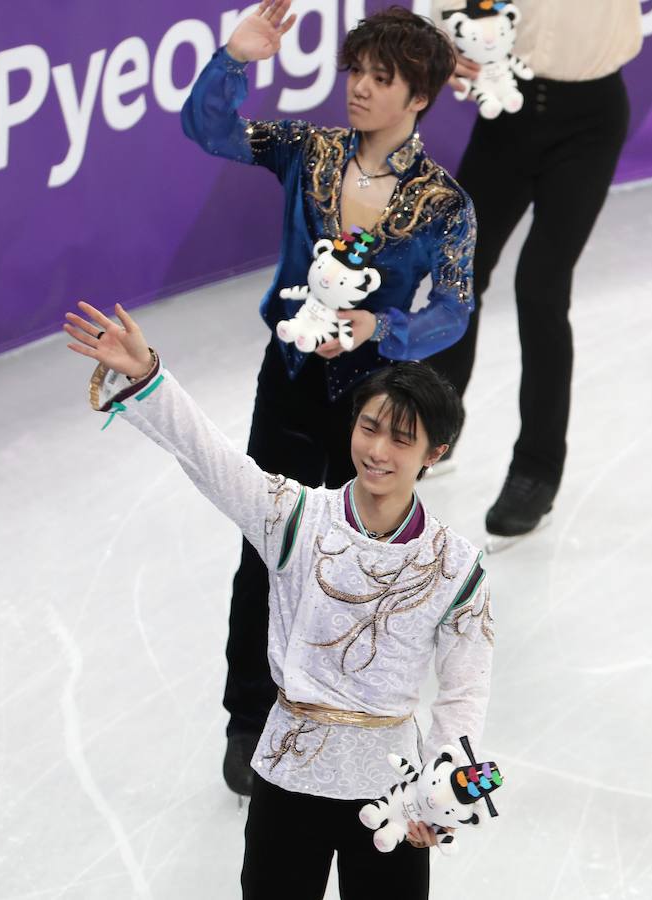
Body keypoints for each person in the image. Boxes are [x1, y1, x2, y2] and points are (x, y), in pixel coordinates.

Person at [63, 300, 494, 900]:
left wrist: (441, 790)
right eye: (368, 428)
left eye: (402, 438)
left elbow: (463, 689)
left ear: (434, 453)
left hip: (391, 788)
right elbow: (210, 460)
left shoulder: (456, 566)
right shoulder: (296, 517)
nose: (378, 451)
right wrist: (147, 376)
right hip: (289, 771)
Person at [181, 0, 477, 792]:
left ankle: (341, 704)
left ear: (418, 97)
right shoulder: (306, 150)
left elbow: (452, 309)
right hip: (287, 386)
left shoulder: (444, 203)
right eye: (357, 73)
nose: (360, 90)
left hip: (370, 407)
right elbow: (208, 130)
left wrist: (380, 328)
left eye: (383, 79)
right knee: (263, 548)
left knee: (358, 563)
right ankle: (249, 716)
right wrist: (234, 59)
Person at [430, 0, 642, 546]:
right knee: (459, 268)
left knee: (542, 287)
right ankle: (435, 425)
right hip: (508, 110)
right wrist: (442, 37)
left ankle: (537, 470)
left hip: (590, 119)